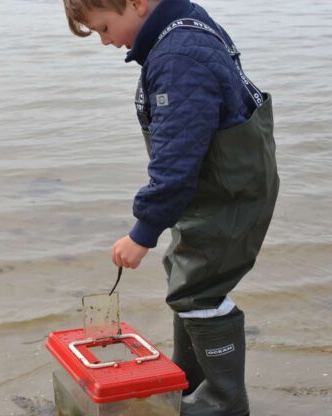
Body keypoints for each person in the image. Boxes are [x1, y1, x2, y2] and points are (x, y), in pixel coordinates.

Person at [62, 1, 279, 415]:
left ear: (138, 4)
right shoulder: (183, 26)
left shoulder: (179, 58)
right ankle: (191, 380)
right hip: (221, 184)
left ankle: (222, 403)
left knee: (198, 288)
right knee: (188, 276)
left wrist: (143, 231)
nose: (106, 41)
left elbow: (177, 160)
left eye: (105, 28)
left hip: (228, 194)